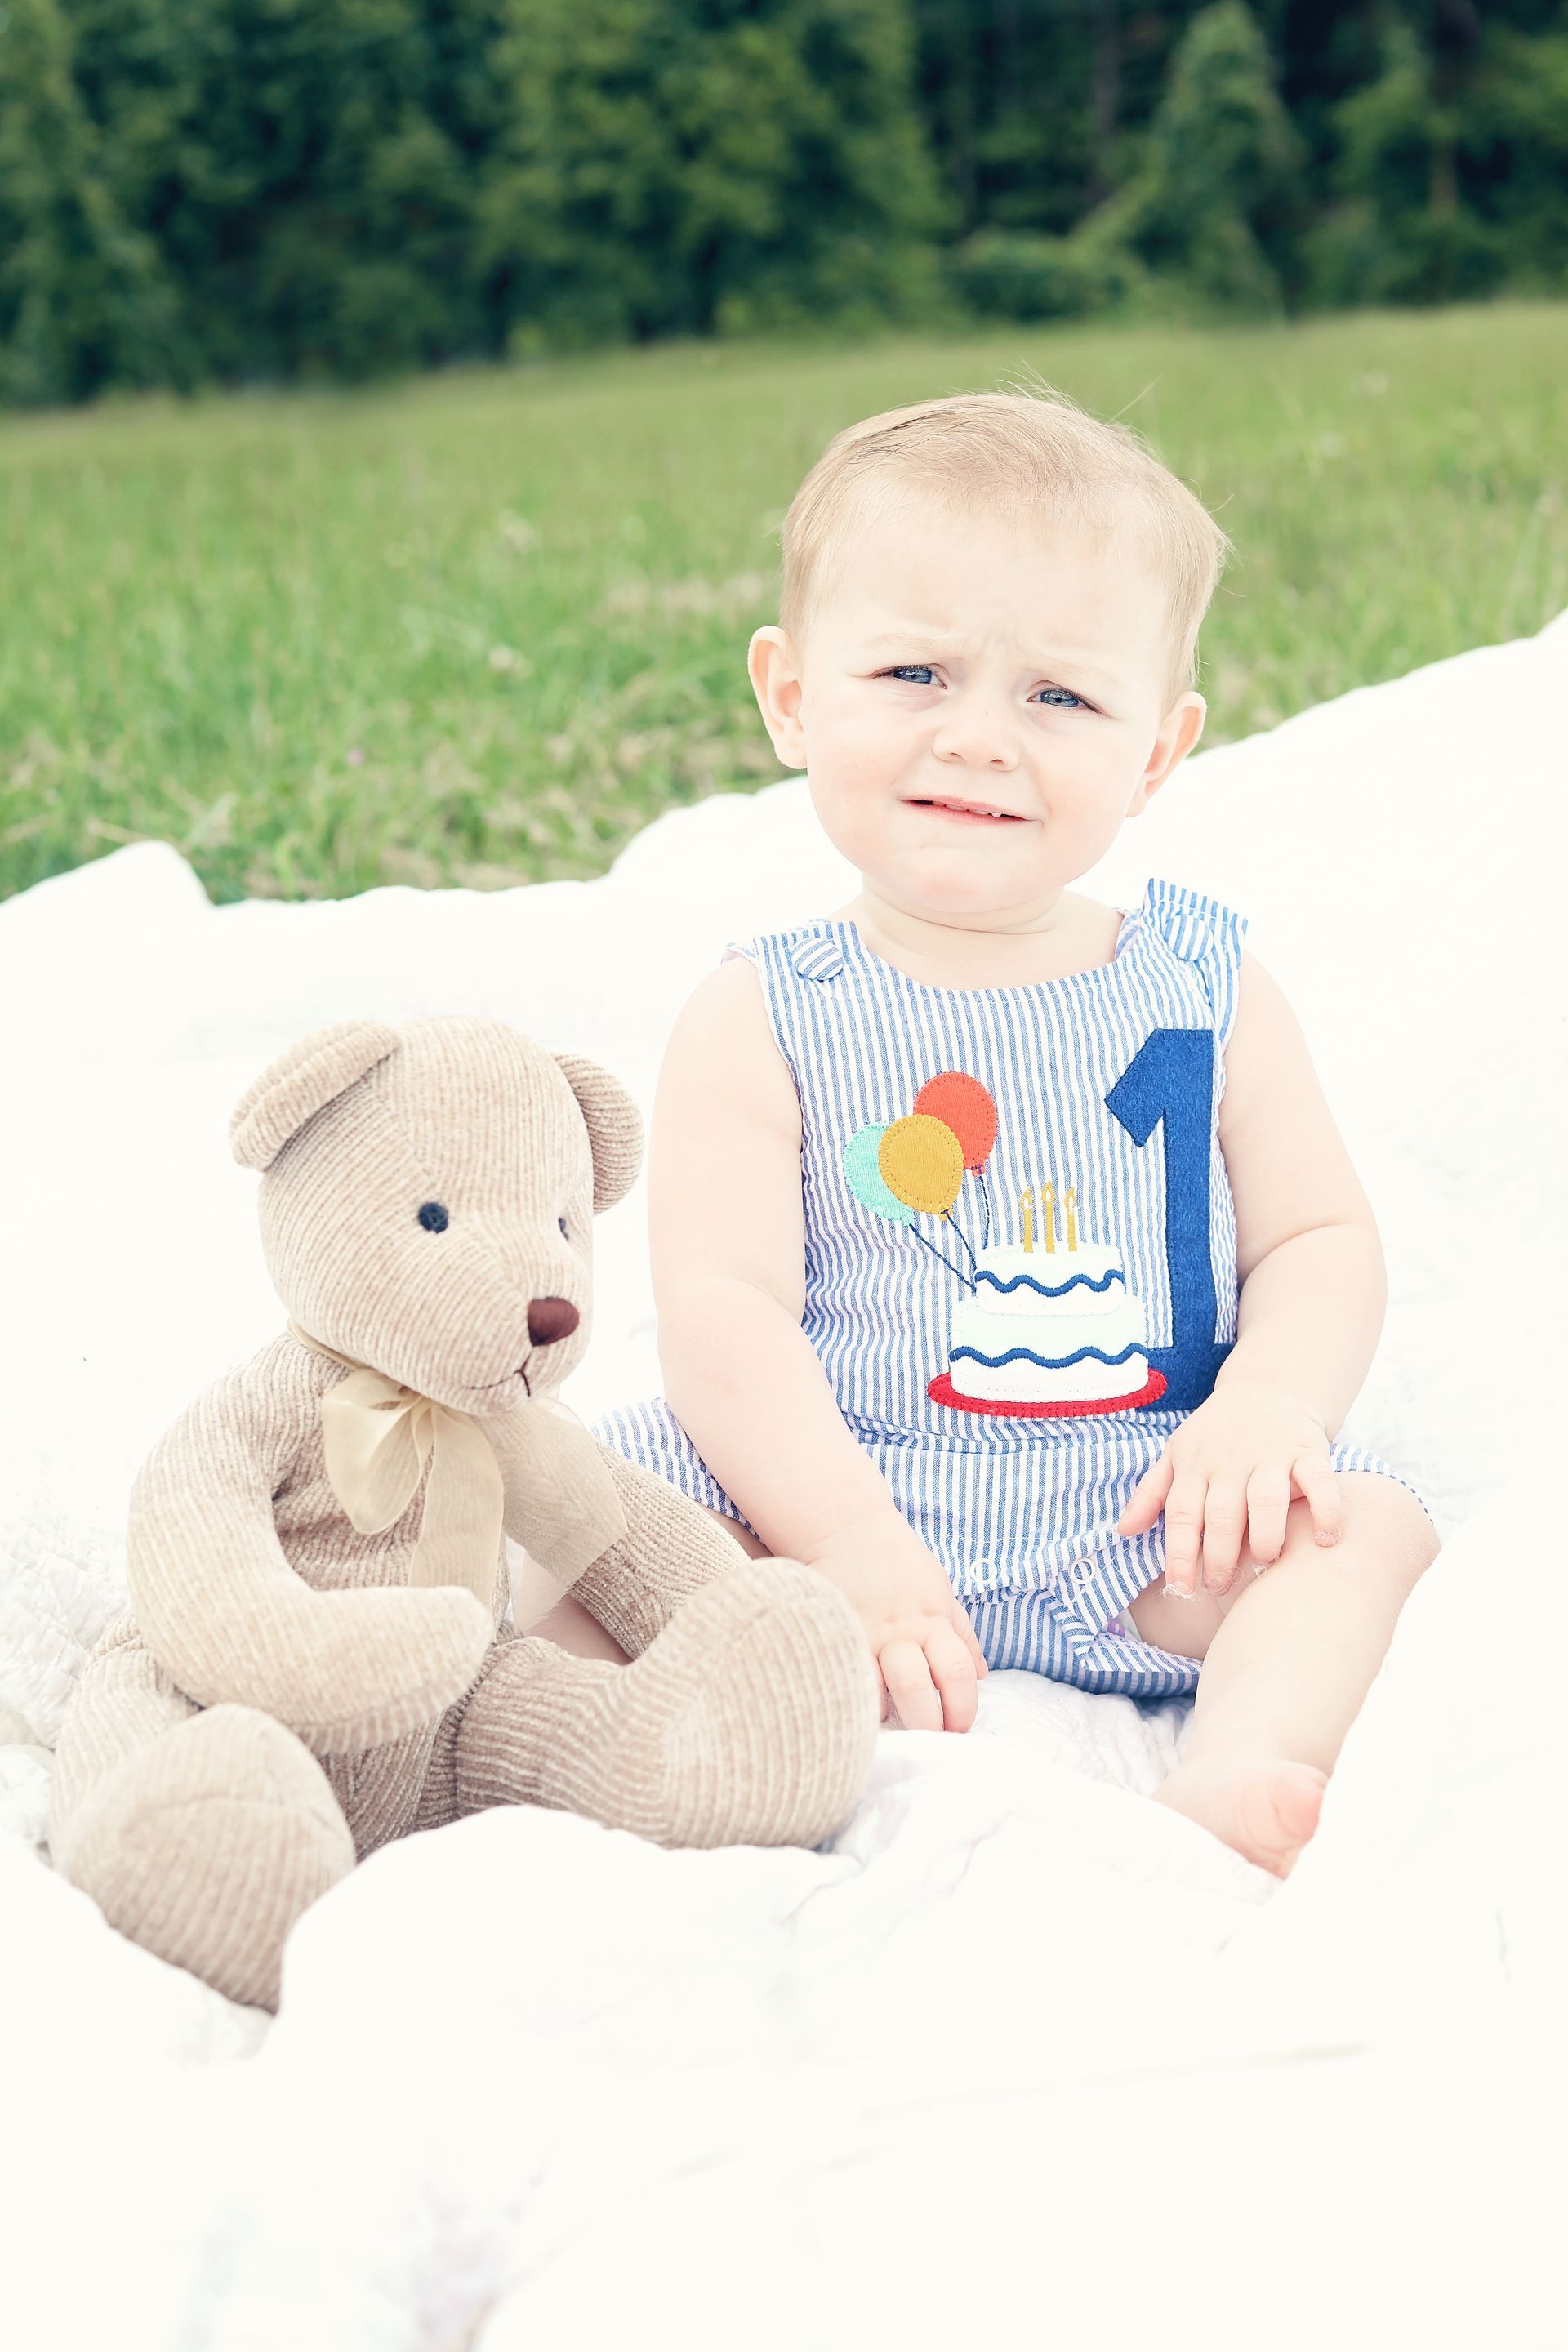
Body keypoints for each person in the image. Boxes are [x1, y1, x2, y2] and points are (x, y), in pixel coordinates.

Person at [591, 388, 1440, 1876]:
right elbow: (723, 1321)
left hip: (1146, 1521)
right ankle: (607, 1749)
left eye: (1060, 697)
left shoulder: (1207, 984)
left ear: (1159, 753)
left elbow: (1319, 1238)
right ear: (791, 697)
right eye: (914, 672)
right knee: (589, 1523)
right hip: (827, 1501)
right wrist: (845, 1546)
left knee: (1363, 1531)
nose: (981, 738)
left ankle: (1243, 1767)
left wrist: (1270, 1412)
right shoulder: (765, 1012)